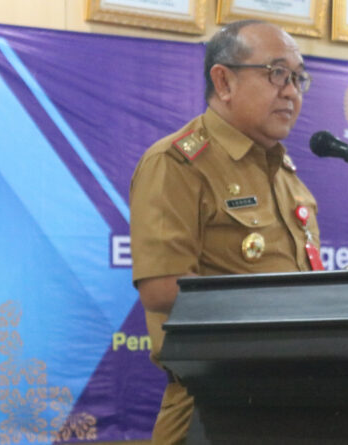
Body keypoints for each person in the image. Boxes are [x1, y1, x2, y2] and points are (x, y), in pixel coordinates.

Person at [129, 19, 322, 444]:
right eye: (277, 73)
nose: (291, 92)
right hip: (215, 405)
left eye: (298, 78)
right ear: (224, 81)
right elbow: (161, 290)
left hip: (300, 400)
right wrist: (284, 309)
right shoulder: (177, 164)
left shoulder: (287, 176)